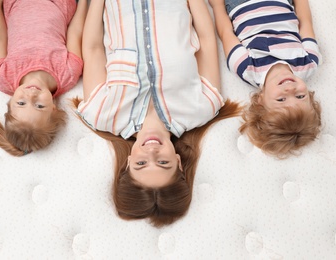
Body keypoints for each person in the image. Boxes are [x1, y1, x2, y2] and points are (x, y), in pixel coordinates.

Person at [72, 0, 242, 227]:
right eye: (163, 162)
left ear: (128, 163)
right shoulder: (202, 108)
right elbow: (207, 39)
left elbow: (92, 47)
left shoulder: (102, 114)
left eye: (141, 164)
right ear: (179, 163)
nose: (151, 151)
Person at [209, 0, 322, 158]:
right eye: (300, 96)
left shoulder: (246, 67)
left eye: (281, 99)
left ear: (261, 100)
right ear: (309, 96)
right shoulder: (309, 62)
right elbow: (305, 23)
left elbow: (225, 32)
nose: (290, 90)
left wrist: (217, 6)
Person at [0, 0, 87, 156]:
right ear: (54, 108)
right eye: (40, 106)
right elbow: (75, 31)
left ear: (10, 102)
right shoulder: (68, 73)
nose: (31, 95)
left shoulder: (4, 76)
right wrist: (83, 4)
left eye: (21, 103)